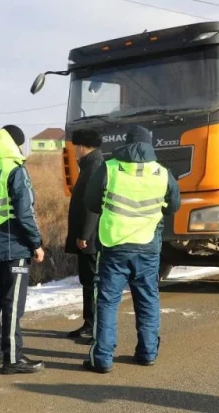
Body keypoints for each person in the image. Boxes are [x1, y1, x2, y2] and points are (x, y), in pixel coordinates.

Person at [83, 125, 180, 373]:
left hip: (114, 248)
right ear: (149, 145)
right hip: (147, 247)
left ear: (126, 143)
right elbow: (173, 206)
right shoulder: (162, 173)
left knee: (106, 302)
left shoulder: (110, 167)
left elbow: (91, 202)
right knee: (147, 299)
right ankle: (147, 353)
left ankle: (102, 359)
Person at [0, 125, 46, 375]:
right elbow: (24, 213)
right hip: (13, 246)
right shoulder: (15, 170)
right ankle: (13, 358)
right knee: (13, 303)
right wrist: (36, 243)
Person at [64, 129, 104, 341]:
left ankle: (95, 326)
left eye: (74, 147)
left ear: (81, 146)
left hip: (91, 238)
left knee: (93, 283)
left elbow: (92, 206)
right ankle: (90, 323)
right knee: (88, 281)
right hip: (88, 236)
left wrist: (85, 234)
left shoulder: (95, 167)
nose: (74, 151)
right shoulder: (90, 165)